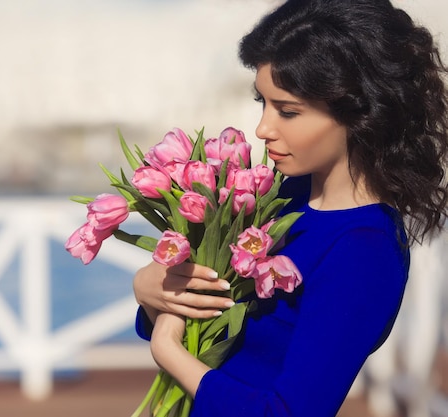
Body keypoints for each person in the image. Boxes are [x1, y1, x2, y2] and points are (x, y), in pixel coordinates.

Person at [132, 0, 448, 415]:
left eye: (288, 111)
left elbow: (288, 412)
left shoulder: (364, 250)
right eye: (262, 103)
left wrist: (168, 350)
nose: (264, 128)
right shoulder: (282, 194)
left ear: (360, 112)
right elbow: (218, 325)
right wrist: (152, 291)